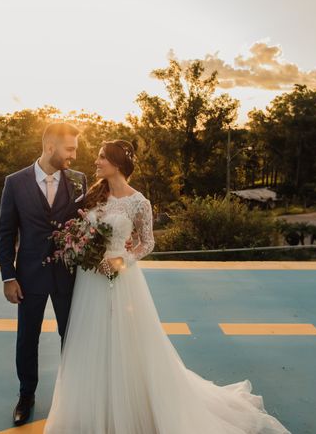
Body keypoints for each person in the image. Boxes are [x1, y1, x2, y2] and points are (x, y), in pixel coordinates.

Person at [43, 139, 292, 434]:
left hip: (120, 279)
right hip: (90, 281)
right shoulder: (93, 196)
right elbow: (78, 231)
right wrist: (83, 250)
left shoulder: (139, 202)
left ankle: (128, 407)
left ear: (117, 164)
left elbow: (147, 243)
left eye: (101, 158)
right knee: (90, 340)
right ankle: (93, 407)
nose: (95, 162)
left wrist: (121, 261)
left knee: (126, 342)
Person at [0, 122, 88, 427]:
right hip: (29, 277)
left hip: (68, 275)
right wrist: (8, 277)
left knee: (71, 338)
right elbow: (6, 233)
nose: (74, 155)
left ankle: (72, 395)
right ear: (51, 147)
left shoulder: (78, 181)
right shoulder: (14, 183)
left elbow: (87, 225)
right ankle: (26, 396)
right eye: (70, 148)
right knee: (27, 339)